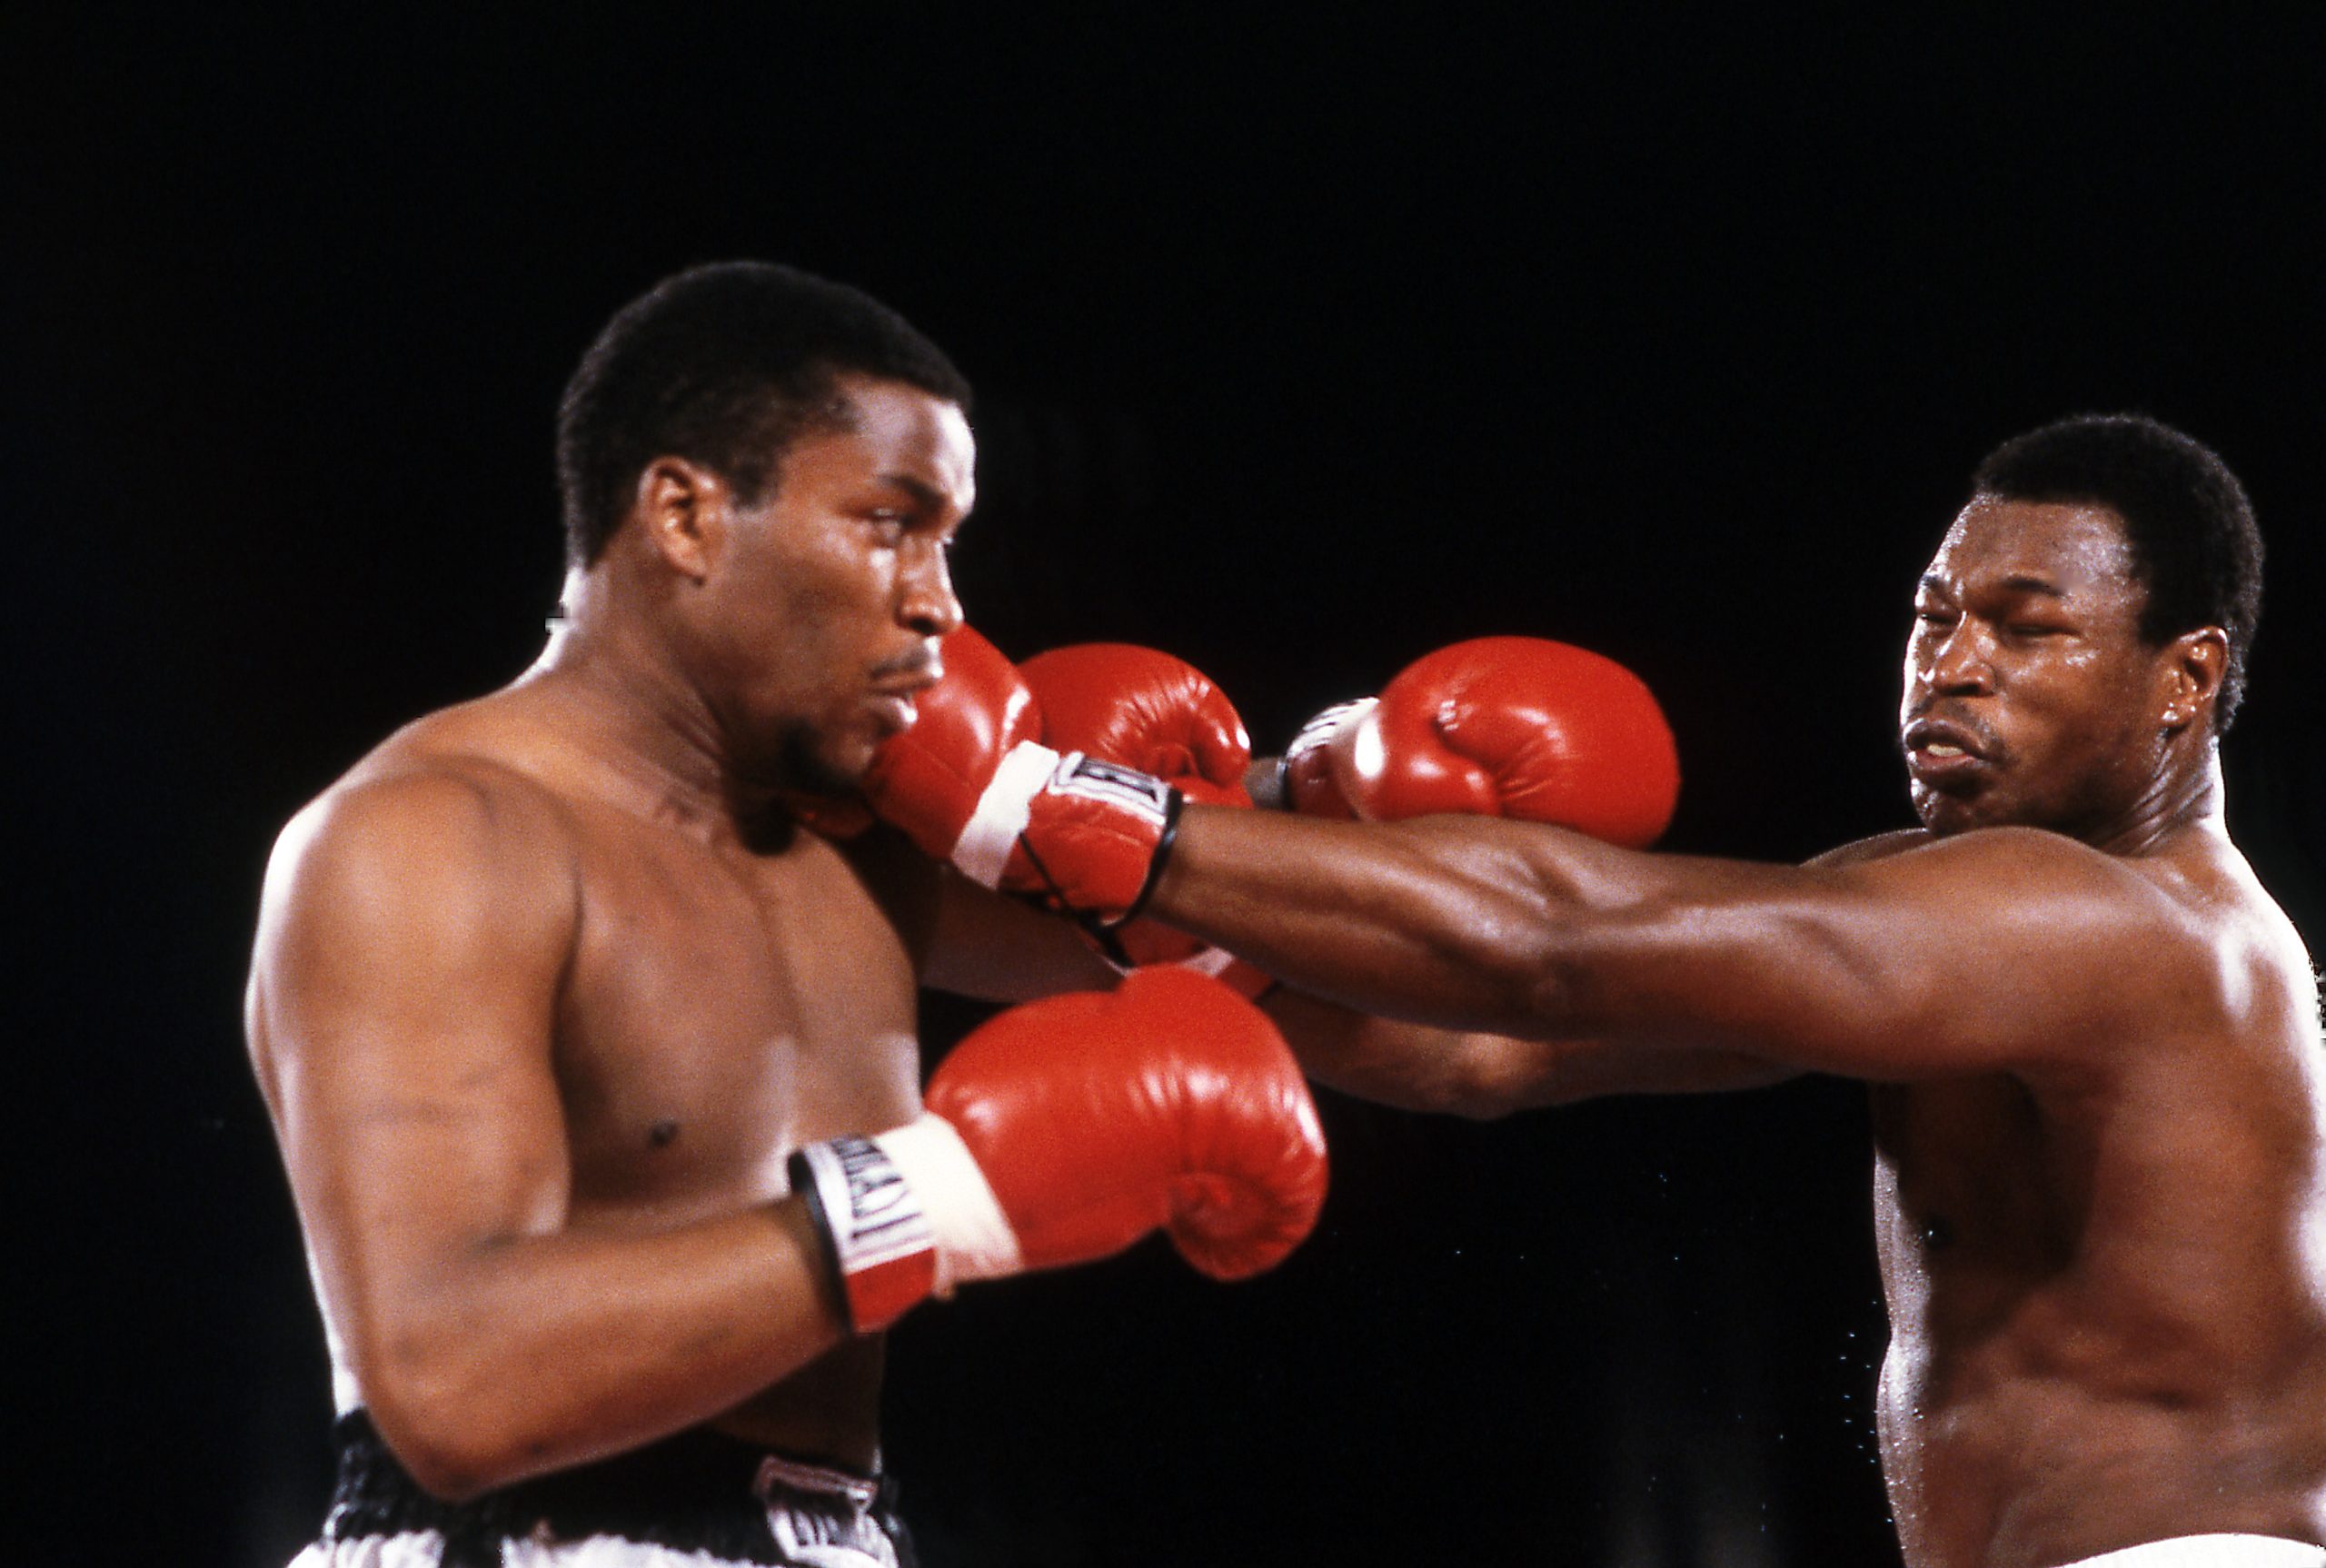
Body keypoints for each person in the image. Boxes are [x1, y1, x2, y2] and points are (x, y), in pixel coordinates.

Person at [863, 413, 2326, 1568]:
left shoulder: (2130, 927)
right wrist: (928, 889)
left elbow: (1554, 942)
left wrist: (1043, 800)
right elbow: (1486, 1046)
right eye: (1933, 617)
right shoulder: (1949, 909)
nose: (1950, 669)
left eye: (2025, 628)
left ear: (2185, 677)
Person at [243, 261, 1329, 1568]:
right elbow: (450, 1387)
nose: (941, 601)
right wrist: (947, 1191)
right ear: (687, 516)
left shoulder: (868, 844)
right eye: (890, 521)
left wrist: (1335, 771)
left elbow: (1311, 975)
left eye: (950, 539)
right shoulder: (430, 838)